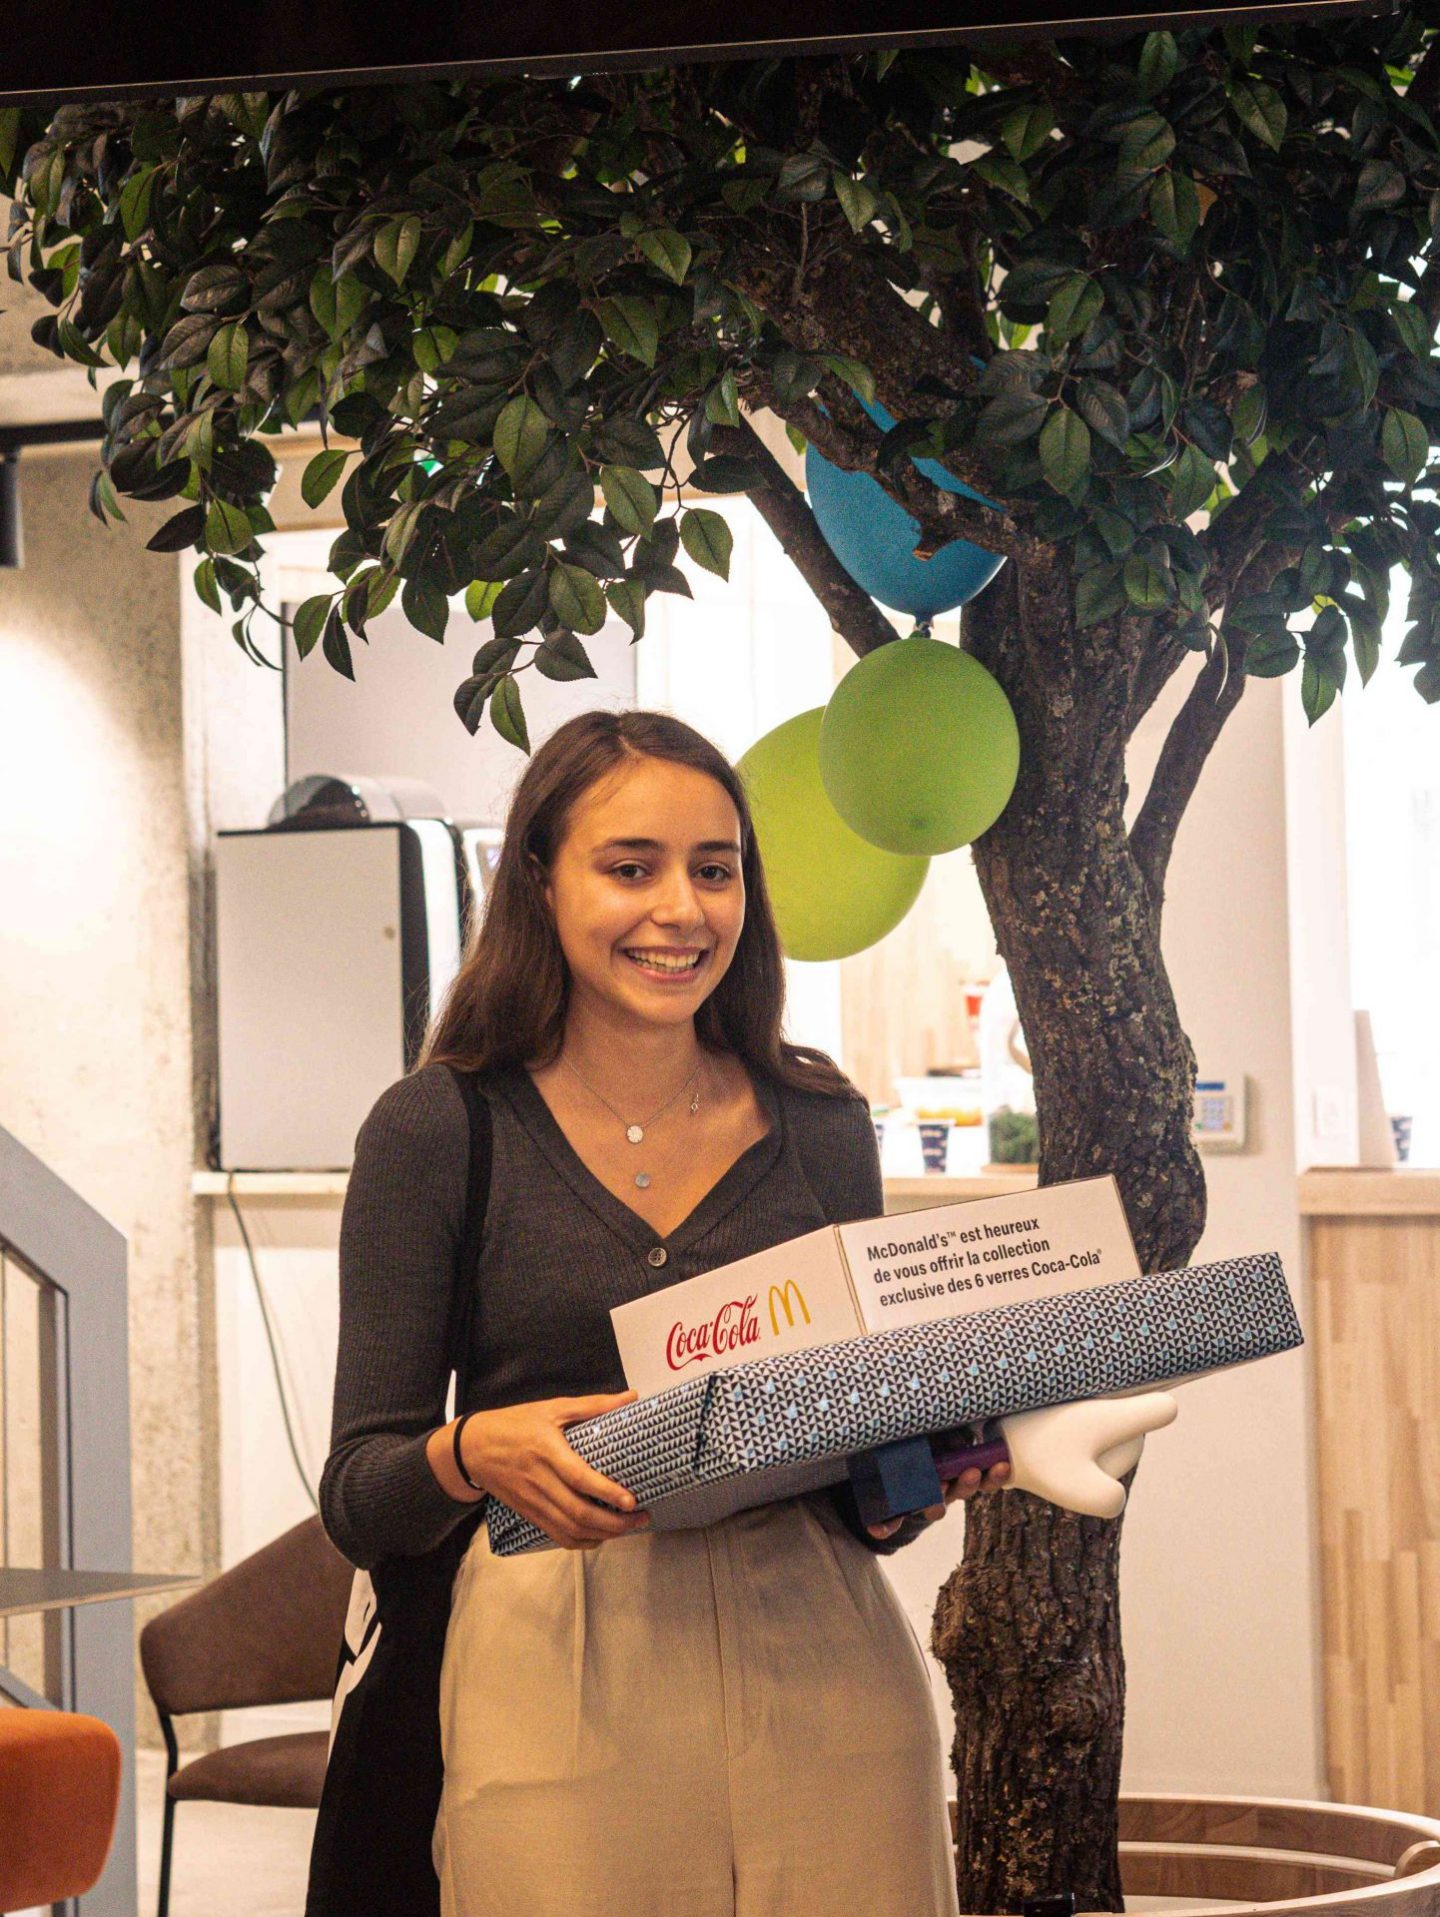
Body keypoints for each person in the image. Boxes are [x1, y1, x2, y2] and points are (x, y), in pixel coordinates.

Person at [319, 708, 1008, 1917]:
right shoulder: (438, 1128)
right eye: (631, 868)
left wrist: (927, 1470)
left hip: (827, 1660)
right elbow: (359, 1489)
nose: (682, 911)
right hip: (551, 1657)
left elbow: (863, 1500)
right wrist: (473, 1451)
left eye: (715, 870)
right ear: (540, 880)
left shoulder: (821, 1124)